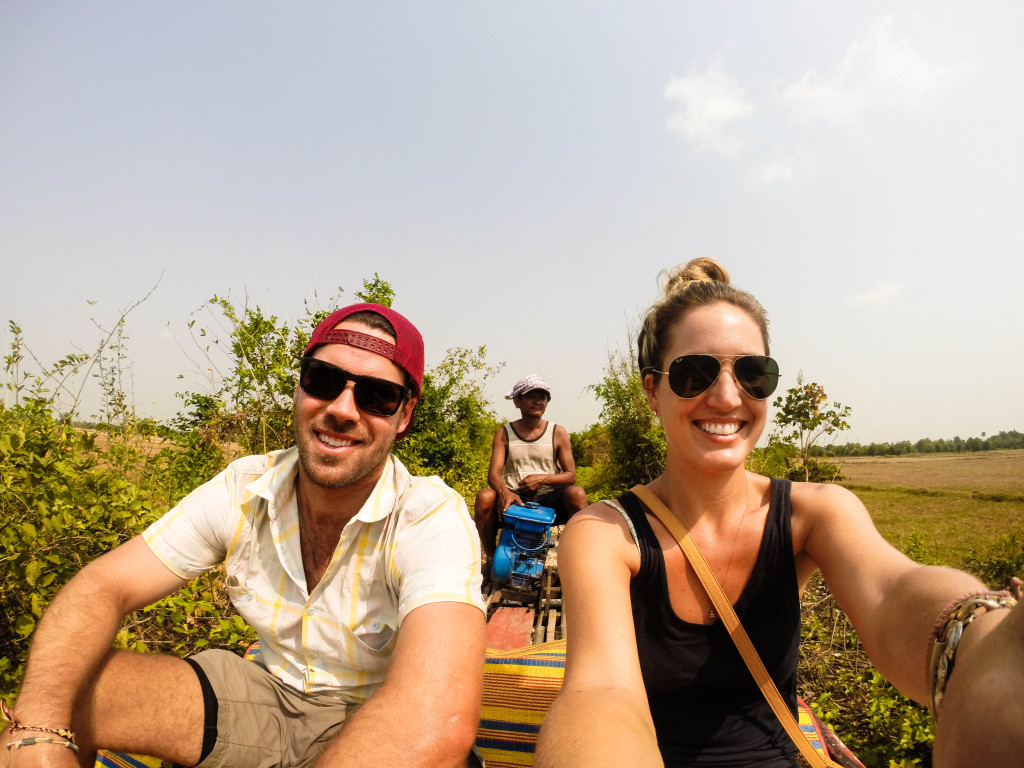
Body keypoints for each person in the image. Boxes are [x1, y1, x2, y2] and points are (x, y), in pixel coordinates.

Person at [535, 259, 1023, 768]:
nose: (727, 397)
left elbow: (893, 590)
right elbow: (600, 692)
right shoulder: (605, 533)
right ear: (652, 390)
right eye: (694, 373)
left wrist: (985, 647)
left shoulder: (814, 513)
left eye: (752, 373)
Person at [1, 303, 487, 768]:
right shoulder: (244, 487)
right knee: (76, 687)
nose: (342, 409)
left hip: (382, 717)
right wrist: (37, 729)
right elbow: (102, 585)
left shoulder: (427, 516)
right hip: (268, 701)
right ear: (299, 389)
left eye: (376, 396)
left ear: (404, 416)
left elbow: (437, 716)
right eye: (324, 380)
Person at [474, 375, 587, 568]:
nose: (538, 401)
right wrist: (505, 492)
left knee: (577, 494)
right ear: (517, 401)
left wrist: (542, 479)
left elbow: (571, 476)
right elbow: (493, 474)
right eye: (531, 396)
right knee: (485, 497)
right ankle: (492, 560)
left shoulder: (557, 432)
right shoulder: (504, 432)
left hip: (547, 497)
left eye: (542, 397)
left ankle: (579, 560)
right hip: (513, 497)